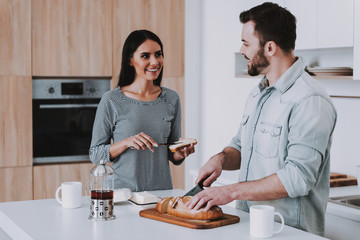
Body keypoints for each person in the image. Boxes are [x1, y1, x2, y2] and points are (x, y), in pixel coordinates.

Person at [186, 2, 337, 236]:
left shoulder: (310, 100)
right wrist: (221, 160)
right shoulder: (259, 92)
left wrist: (231, 191)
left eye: (246, 43)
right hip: (248, 226)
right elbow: (241, 145)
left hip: (288, 232)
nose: (241, 50)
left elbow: (298, 177)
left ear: (269, 48)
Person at [89, 30, 195, 192]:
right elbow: (95, 154)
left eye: (158, 54)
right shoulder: (112, 100)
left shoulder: (172, 99)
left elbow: (171, 152)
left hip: (161, 194)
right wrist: (126, 142)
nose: (155, 62)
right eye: (145, 56)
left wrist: (179, 154)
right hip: (123, 195)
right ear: (130, 60)